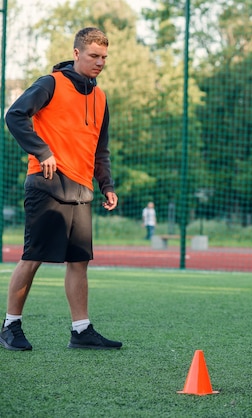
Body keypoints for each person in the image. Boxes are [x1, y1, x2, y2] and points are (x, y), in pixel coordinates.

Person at [0, 27, 122, 351]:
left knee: (79, 262)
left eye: (104, 57)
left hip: (82, 190)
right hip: (46, 184)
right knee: (33, 257)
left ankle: (81, 330)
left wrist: (106, 184)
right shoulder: (50, 83)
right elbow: (14, 116)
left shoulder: (100, 97)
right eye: (94, 56)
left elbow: (101, 149)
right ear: (77, 53)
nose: (100, 62)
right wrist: (42, 152)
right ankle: (10, 325)